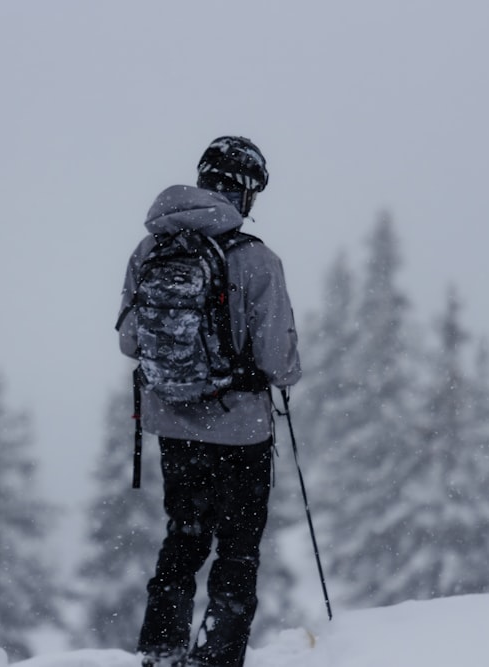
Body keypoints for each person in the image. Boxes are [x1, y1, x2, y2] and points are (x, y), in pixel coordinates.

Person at [116, 136, 301, 667]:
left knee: (184, 535)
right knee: (238, 550)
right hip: (241, 431)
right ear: (243, 193)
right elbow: (279, 362)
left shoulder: (149, 251)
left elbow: (130, 342)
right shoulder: (257, 260)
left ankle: (161, 651)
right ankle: (216, 658)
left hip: (173, 424)